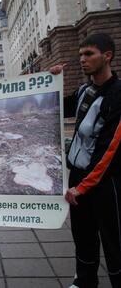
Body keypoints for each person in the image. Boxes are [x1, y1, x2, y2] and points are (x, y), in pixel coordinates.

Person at [50, 33, 121, 288]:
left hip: (105, 182)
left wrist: (83, 186)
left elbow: (109, 151)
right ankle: (84, 282)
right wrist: (51, 81)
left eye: (89, 54)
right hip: (78, 176)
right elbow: (55, 106)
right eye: (80, 54)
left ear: (107, 56)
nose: (82, 59)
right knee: (83, 236)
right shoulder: (83, 91)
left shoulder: (117, 95)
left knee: (114, 241)